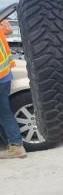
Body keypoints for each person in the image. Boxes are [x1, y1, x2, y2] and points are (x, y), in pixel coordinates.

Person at [0, 19, 26, 158]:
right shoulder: (0, 29)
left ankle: (16, 146)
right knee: (4, 113)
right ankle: (15, 145)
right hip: (5, 78)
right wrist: (3, 20)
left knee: (4, 113)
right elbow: (8, 31)